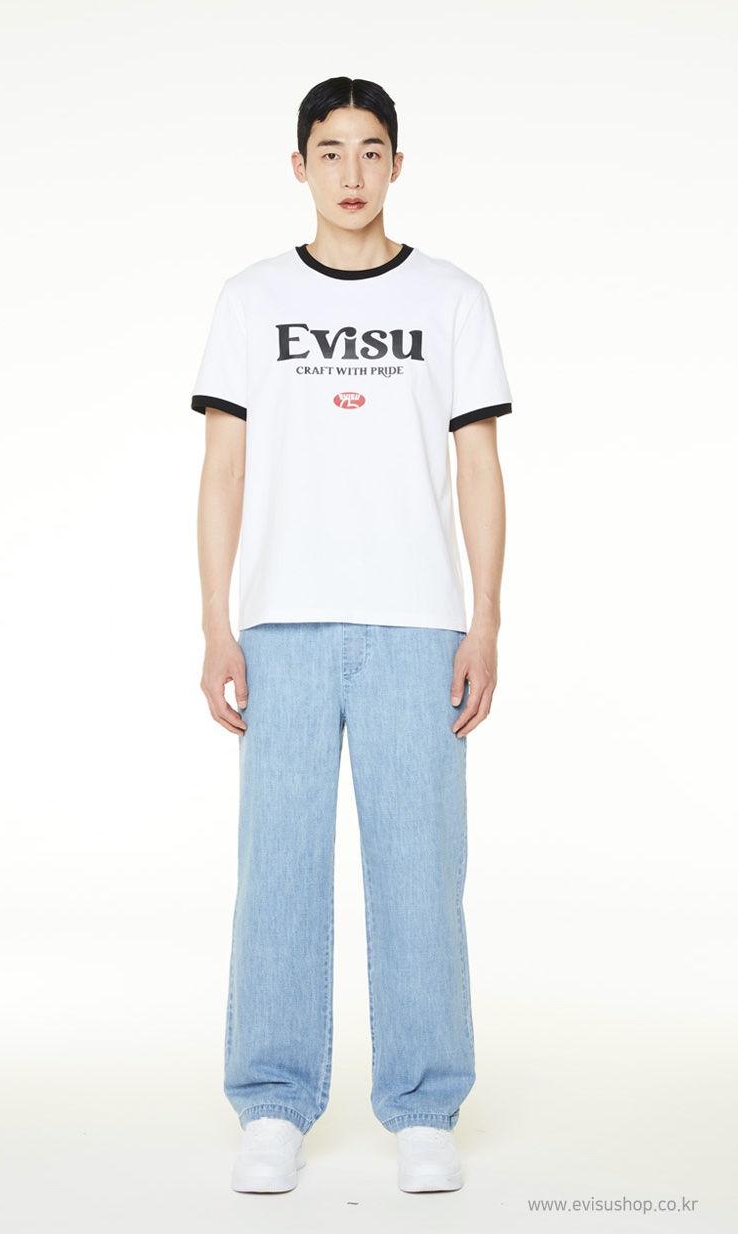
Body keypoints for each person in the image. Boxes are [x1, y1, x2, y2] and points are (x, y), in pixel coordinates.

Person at [190, 75, 512, 1195]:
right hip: (281, 622)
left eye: (371, 151)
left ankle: (423, 1106)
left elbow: (479, 468)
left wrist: (485, 619)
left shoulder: (452, 298)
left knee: (420, 871)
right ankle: (272, 1102)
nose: (351, 174)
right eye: (329, 152)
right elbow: (222, 469)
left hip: (418, 622)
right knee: (276, 870)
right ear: (299, 167)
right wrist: (216, 624)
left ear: (397, 164)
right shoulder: (250, 298)